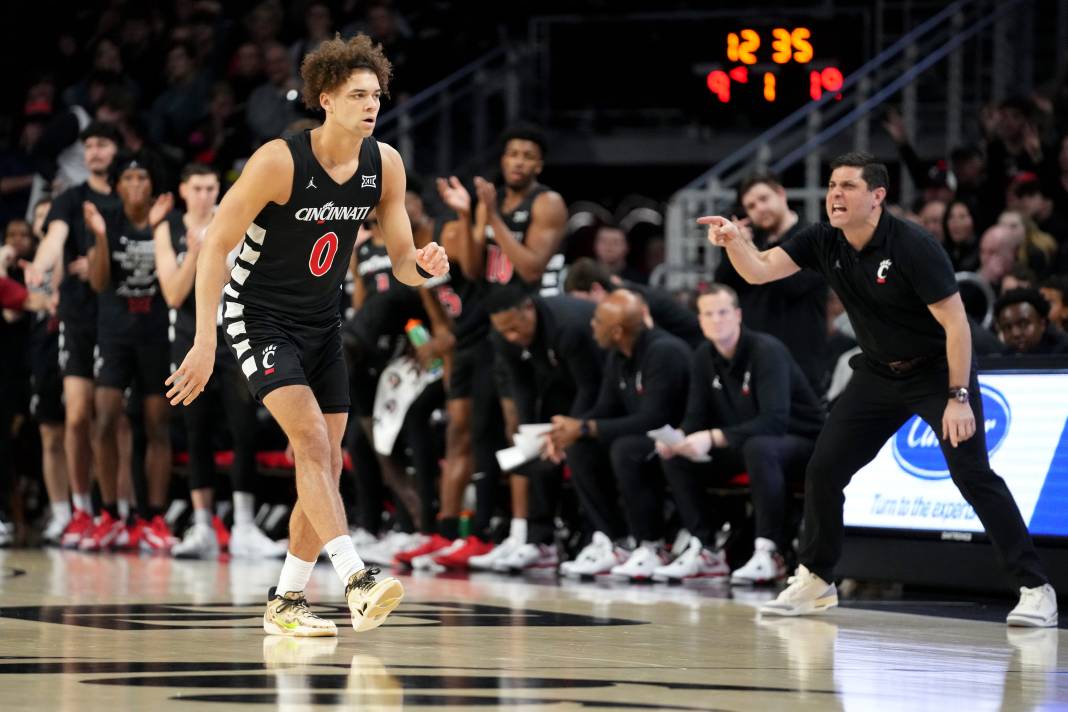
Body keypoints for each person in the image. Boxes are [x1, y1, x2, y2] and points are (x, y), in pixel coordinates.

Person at [167, 35, 448, 638]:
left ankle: (287, 600)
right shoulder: (279, 160)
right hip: (257, 315)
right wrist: (205, 339)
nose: (371, 105)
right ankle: (356, 578)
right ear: (326, 99)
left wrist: (423, 265)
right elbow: (216, 244)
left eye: (376, 94)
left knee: (323, 464)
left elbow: (400, 261)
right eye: (357, 95)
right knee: (313, 443)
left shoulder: (386, 164)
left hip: (323, 321)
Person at [701, 151, 1057, 626]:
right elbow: (760, 269)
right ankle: (816, 579)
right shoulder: (823, 239)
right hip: (878, 373)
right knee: (824, 469)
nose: (835, 196)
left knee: (974, 477)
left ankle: (1035, 587)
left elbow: (957, 326)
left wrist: (958, 397)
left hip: (936, 371)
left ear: (877, 196)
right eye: (830, 187)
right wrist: (734, 241)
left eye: (847, 187)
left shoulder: (913, 245)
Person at [156, 164, 286, 559]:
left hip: (231, 335)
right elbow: (174, 295)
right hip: (188, 339)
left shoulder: (233, 220)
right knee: (196, 430)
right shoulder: (168, 229)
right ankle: (201, 526)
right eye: (197, 188)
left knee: (243, 426)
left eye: (210, 187)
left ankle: (245, 525)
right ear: (183, 189)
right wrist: (197, 254)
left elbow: (244, 279)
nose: (204, 195)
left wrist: (216, 257)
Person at [655, 284, 824, 583]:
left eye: (723, 312)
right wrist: (678, 438)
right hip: (744, 442)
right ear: (700, 320)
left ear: (738, 315)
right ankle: (706, 548)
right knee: (677, 459)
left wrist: (713, 437)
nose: (716, 320)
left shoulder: (766, 350)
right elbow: (695, 417)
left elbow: (773, 421)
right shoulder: (703, 356)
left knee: (759, 447)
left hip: (800, 442)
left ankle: (769, 551)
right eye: (708, 314)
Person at [547, 289, 692, 581]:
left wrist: (587, 428)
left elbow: (655, 418)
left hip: (677, 440)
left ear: (616, 330)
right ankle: (617, 542)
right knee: (580, 449)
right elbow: (606, 407)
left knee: (625, 450)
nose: (591, 325)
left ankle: (652, 544)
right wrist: (569, 430)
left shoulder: (664, 351)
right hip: (641, 436)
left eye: (597, 321)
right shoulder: (618, 355)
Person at [26, 122, 121, 548]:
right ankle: (82, 509)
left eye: (102, 144)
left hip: (121, 316)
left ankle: (120, 512)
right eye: (89, 145)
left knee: (117, 419)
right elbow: (55, 237)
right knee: (79, 415)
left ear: (117, 149)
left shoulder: (128, 196)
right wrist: (41, 267)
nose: (95, 152)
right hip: (79, 317)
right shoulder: (70, 198)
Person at [84, 155, 176, 552]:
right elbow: (99, 280)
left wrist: (158, 227)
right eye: (129, 177)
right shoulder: (106, 221)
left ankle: (153, 516)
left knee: (157, 424)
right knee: (105, 419)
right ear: (117, 185)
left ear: (153, 185)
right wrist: (101, 237)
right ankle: (108, 513)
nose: (136, 184)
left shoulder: (166, 224)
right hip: (114, 335)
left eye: (143, 176)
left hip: (155, 335)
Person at [482, 285, 605, 571]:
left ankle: (595, 536)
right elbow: (522, 387)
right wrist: (530, 432)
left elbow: (589, 386)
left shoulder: (567, 326)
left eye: (515, 328)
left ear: (529, 309)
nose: (511, 336)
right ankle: (540, 541)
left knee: (579, 448)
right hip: (558, 382)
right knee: (535, 444)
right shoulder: (503, 334)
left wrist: (571, 431)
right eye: (504, 331)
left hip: (598, 384)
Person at [713, 171, 828, 392]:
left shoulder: (814, 237)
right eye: (751, 206)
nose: (759, 208)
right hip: (754, 357)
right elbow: (723, 286)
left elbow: (792, 286)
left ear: (781, 194)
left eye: (763, 199)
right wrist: (733, 246)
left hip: (799, 359)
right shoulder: (751, 240)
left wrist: (746, 248)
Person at [564, 257, 704, 348]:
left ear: (596, 289)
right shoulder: (624, 293)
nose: (579, 309)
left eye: (579, 301)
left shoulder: (631, 302)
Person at [993, 288, 1068, 356]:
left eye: (1023, 324)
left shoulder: (1063, 351)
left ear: (1042, 324)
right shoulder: (1005, 356)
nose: (1015, 333)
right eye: (1007, 327)